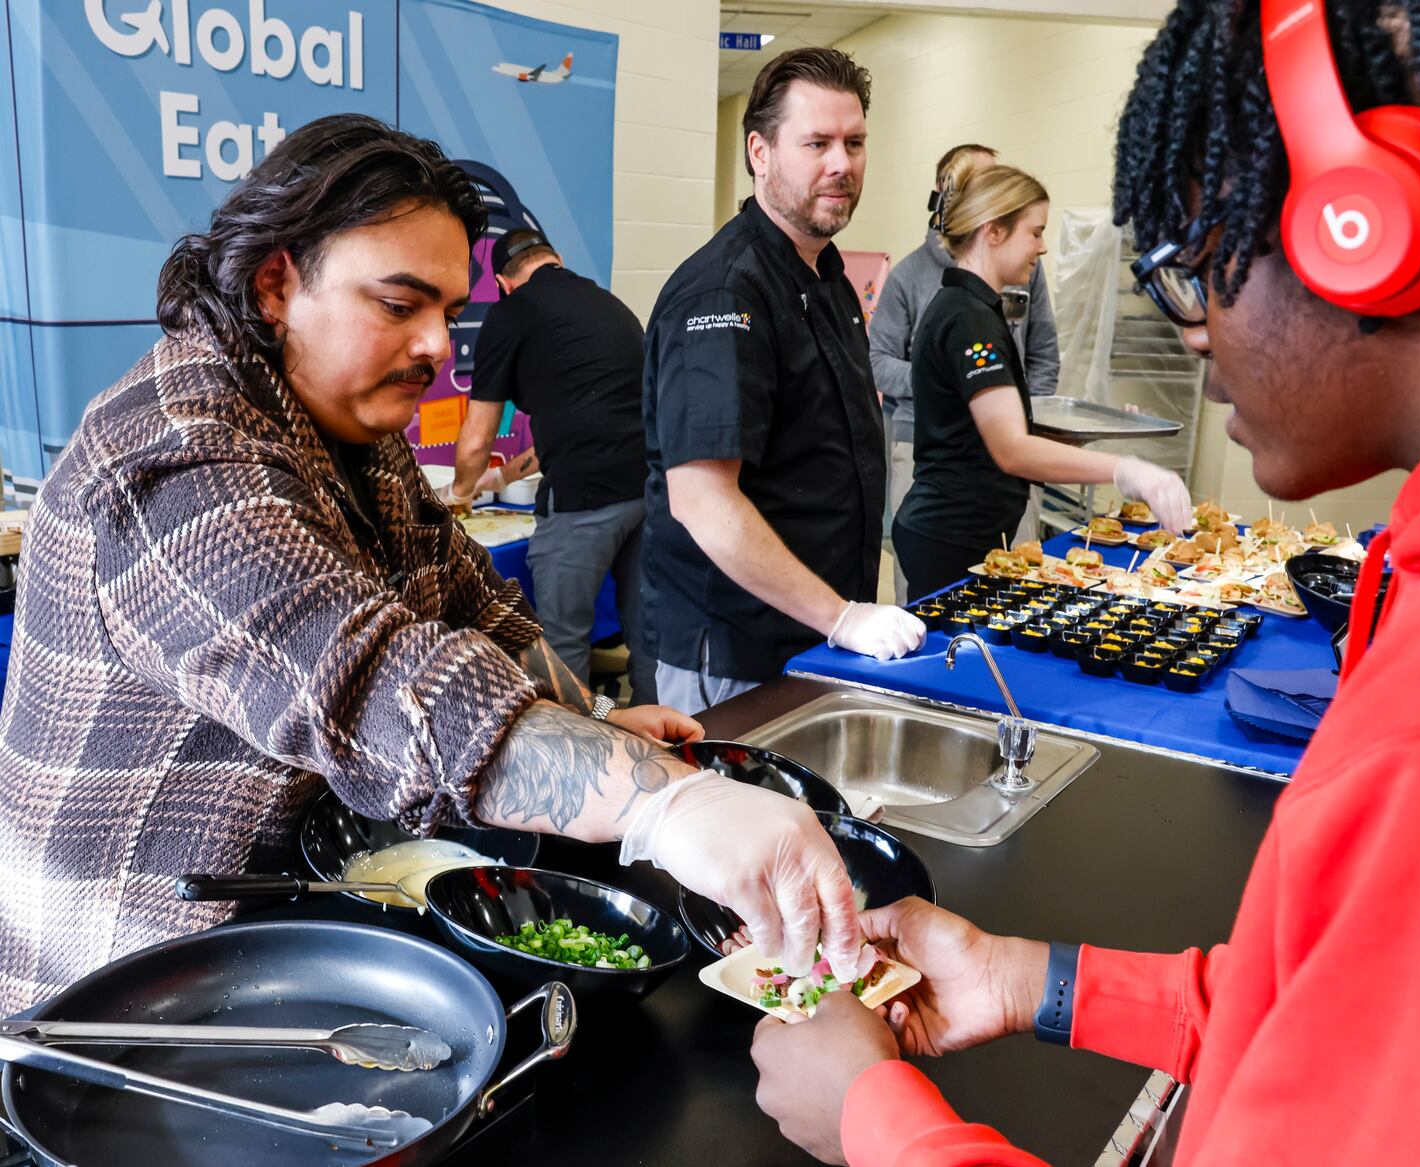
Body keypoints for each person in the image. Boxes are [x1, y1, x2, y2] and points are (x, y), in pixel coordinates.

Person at [750, 0, 1420, 1163]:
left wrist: (873, 1121)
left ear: (1364, 227)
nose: (1194, 336)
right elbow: (1325, 1013)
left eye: (1193, 270)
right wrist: (1033, 980)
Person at [0, 115, 866, 1017]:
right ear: (274, 284)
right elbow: (374, 678)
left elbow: (478, 611)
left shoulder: (351, 431)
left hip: (290, 934)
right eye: (398, 303)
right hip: (127, 987)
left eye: (448, 312)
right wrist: (665, 807)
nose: (436, 348)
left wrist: (600, 725)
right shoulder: (173, 453)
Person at [641, 47, 925, 716]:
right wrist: (842, 617)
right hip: (741, 654)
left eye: (854, 143)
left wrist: (840, 619)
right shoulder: (725, 289)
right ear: (760, 153)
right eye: (816, 142)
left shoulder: (826, 278)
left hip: (815, 635)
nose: (842, 164)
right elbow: (703, 501)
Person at [891, 156, 1190, 600]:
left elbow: (981, 430)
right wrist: (1128, 471)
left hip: (967, 526)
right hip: (950, 534)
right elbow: (1011, 449)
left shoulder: (974, 308)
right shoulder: (966, 318)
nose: (1043, 247)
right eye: (1035, 232)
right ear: (993, 231)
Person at [445, 226, 658, 705]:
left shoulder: (512, 313)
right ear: (556, 258)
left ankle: (586, 763)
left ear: (502, 282)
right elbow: (579, 419)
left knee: (562, 648)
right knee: (648, 636)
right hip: (645, 495)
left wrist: (459, 496)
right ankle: (661, 745)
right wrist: (498, 479)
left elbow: (477, 437)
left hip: (583, 503)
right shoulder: (608, 305)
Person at [871, 144, 1062, 602]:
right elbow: (876, 360)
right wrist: (955, 389)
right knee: (935, 612)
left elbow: (1042, 356)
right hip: (938, 464)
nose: (1040, 245)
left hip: (1003, 468)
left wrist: (1014, 413)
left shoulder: (1017, 275)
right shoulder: (926, 287)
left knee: (1017, 586)